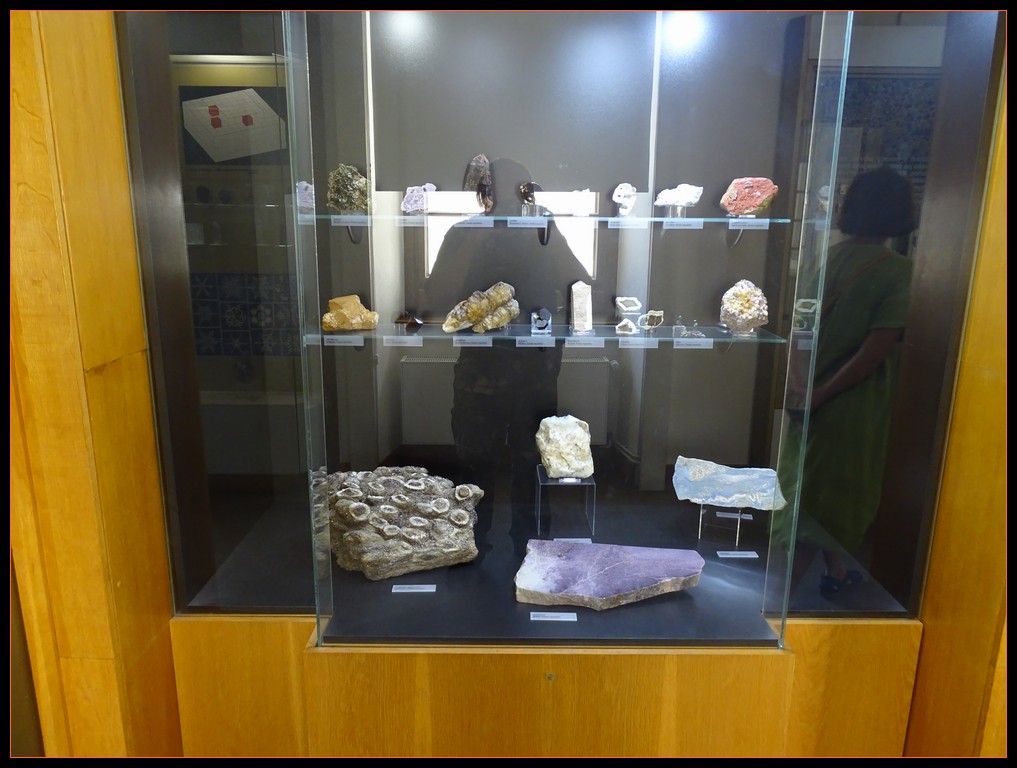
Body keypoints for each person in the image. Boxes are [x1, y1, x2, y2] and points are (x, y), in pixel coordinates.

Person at [419, 158, 601, 558]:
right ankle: (523, 543)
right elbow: (582, 285)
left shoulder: (476, 232)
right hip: (523, 370)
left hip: (497, 371)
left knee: (490, 460)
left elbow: (434, 297)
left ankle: (476, 543)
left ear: (484, 192)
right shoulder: (530, 230)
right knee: (518, 459)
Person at [780, 165, 917, 598]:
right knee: (832, 500)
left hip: (810, 397)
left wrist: (801, 388)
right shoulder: (899, 271)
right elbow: (875, 351)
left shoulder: (830, 259)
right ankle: (776, 603)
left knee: (810, 489)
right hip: (852, 405)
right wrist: (821, 395)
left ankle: (836, 572)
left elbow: (800, 330)